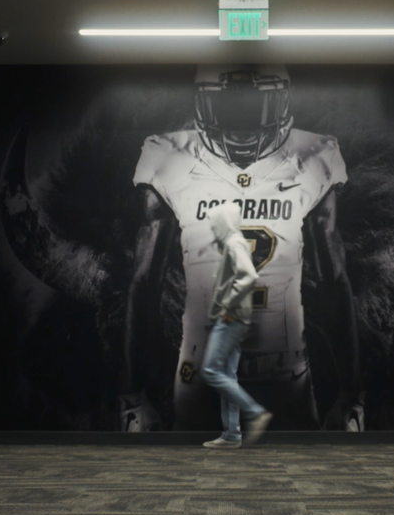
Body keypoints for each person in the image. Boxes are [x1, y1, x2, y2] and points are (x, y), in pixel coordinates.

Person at [117, 66, 361, 434]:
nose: (242, 125)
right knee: (194, 486)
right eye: (228, 108)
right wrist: (133, 396)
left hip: (288, 370)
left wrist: (350, 394)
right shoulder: (169, 157)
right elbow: (144, 283)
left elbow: (335, 281)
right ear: (204, 105)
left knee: (299, 483)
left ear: (281, 103)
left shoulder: (313, 156)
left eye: (256, 107)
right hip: (199, 371)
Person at [195, 202, 272, 449]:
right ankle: (232, 435)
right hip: (234, 319)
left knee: (211, 371)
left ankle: (255, 412)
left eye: (213, 221)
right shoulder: (232, 241)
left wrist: (227, 306)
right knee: (227, 376)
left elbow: (249, 275)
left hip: (231, 318)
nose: (211, 226)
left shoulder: (233, 242)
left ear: (223, 221)